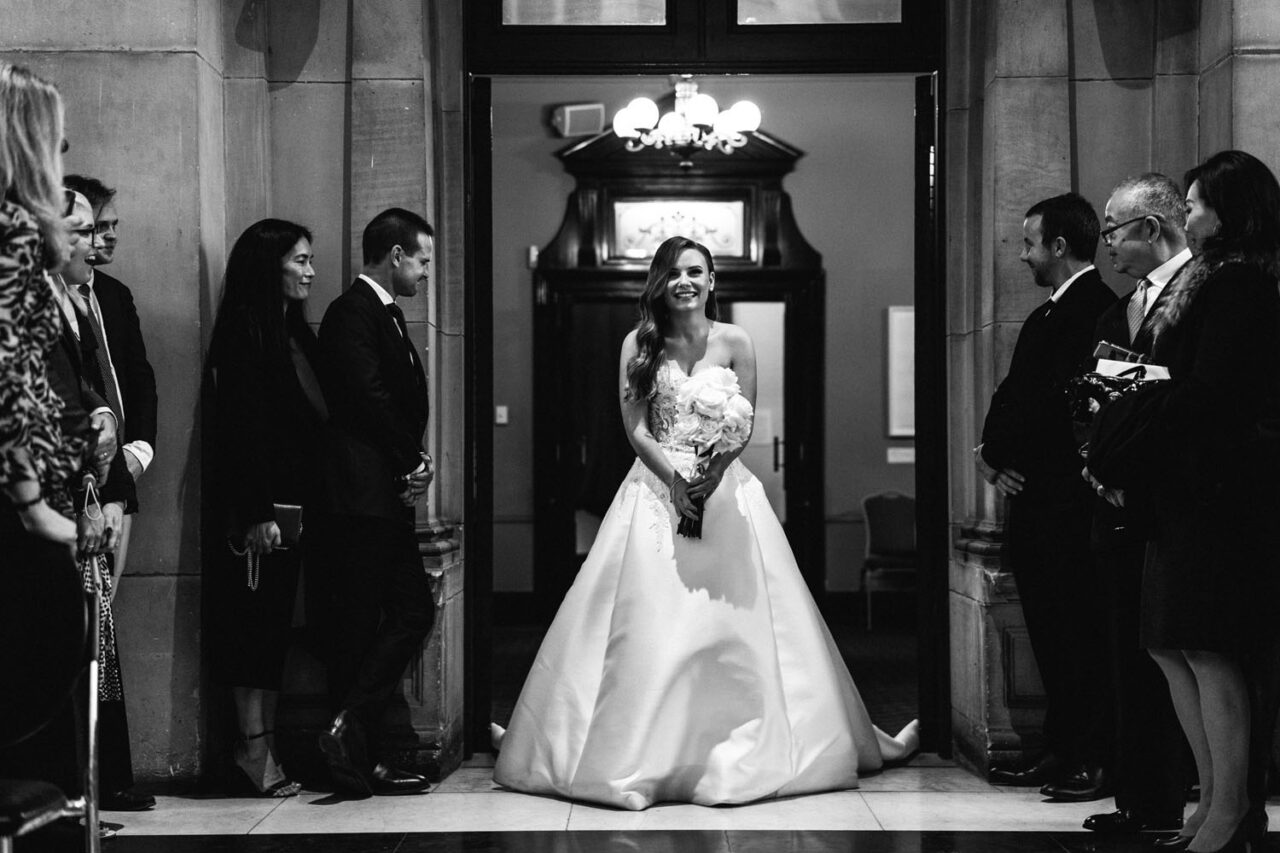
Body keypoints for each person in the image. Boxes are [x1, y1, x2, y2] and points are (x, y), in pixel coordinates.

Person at [493, 235, 919, 811]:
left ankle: (741, 748)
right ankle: (638, 754)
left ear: (713, 280)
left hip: (726, 494)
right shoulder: (637, 344)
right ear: (659, 284)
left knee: (735, 624)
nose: (684, 282)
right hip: (654, 493)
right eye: (672, 273)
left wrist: (713, 476)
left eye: (695, 271)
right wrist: (675, 481)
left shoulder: (735, 340)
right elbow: (637, 429)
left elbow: (741, 424)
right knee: (650, 622)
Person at [1089, 150, 1280, 853]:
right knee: (1170, 645)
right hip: (1176, 491)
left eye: (1196, 204)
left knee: (1212, 649)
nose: (1188, 215)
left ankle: (1232, 807)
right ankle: (1209, 799)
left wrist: (1140, 401)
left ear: (1230, 209)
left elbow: (1216, 393)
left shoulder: (1242, 284)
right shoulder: (1207, 280)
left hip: (1218, 493)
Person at [975, 193, 1116, 797]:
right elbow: (1012, 395)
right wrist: (991, 457)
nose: (1024, 255)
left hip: (1065, 502)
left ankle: (1092, 755)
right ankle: (1062, 748)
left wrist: (1005, 454)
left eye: (1030, 243)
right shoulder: (1048, 313)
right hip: (1036, 501)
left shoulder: (1097, 312)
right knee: (1051, 634)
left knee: (1078, 634)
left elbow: (1063, 405)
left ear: (1059, 246)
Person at [1079, 173, 1191, 835]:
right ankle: (1141, 800)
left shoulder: (1199, 293)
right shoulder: (1118, 307)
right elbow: (1100, 399)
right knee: (1127, 654)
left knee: (1171, 661)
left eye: (1113, 229)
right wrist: (1097, 463)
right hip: (1116, 504)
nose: (1107, 243)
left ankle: (1168, 800)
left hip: (1170, 505)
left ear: (1152, 228)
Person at [314, 208, 435, 798]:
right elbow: (369, 398)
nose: (426, 271)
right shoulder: (350, 312)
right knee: (380, 619)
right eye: (422, 259)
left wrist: (413, 459)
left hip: (380, 494)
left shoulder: (385, 313)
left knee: (402, 614)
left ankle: (358, 742)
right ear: (395, 254)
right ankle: (352, 742)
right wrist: (411, 458)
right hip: (358, 496)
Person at [205, 218, 327, 797]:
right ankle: (250, 749)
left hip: (298, 508)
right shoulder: (244, 334)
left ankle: (267, 744)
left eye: (309, 260)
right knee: (250, 629)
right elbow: (237, 431)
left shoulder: (297, 333)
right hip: (259, 511)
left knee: (276, 627)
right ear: (268, 266)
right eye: (299, 261)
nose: (310, 271)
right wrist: (257, 513)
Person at [0, 61, 87, 802]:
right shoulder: (16, 232)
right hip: (13, 502)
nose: (64, 157)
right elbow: (5, 372)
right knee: (46, 647)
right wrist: (33, 501)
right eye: (57, 144)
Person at [64, 174, 159, 582]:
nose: (109, 237)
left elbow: (139, 378)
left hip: (121, 466)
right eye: (97, 228)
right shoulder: (46, 299)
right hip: (76, 472)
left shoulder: (116, 293)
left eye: (112, 227)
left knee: (106, 601)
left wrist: (140, 450)